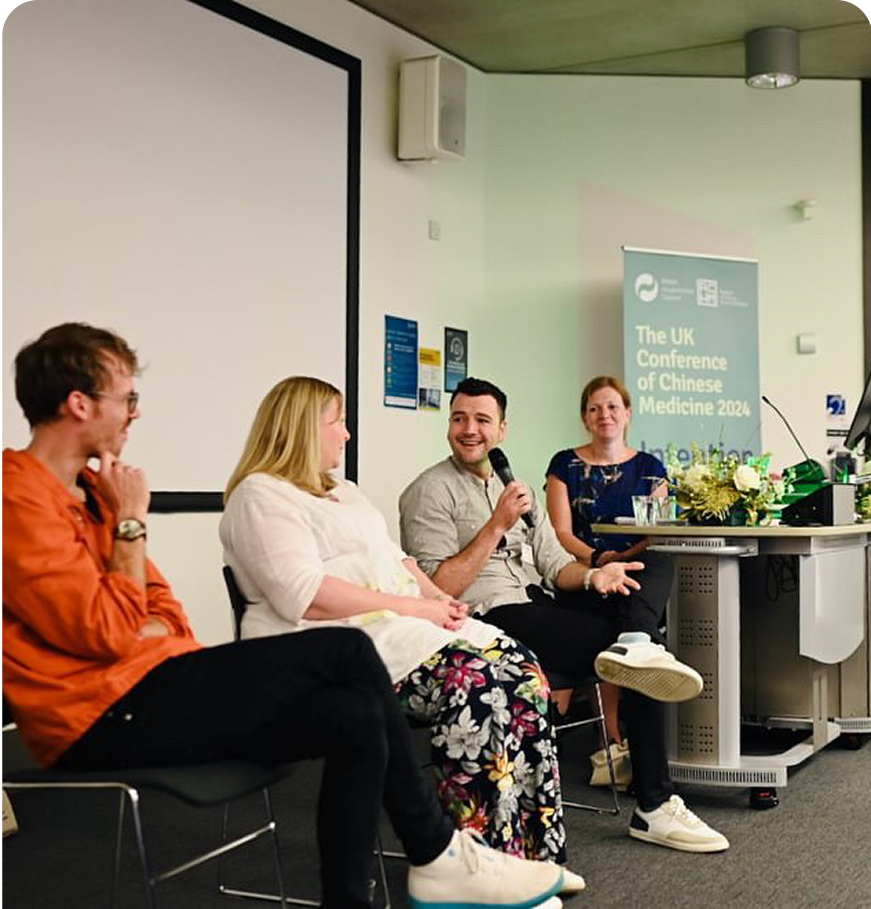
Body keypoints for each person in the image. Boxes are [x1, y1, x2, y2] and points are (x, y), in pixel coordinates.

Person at [1, 324, 568, 909]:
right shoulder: (20, 495)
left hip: (155, 678)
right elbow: (109, 632)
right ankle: (437, 851)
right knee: (348, 653)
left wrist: (134, 601)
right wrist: (131, 528)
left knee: (351, 715)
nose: (135, 415)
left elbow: (164, 615)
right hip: (98, 714)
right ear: (79, 404)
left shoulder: (97, 493)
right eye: (128, 399)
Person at [219, 377, 580, 887]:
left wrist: (439, 602)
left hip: (396, 630)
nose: (345, 435)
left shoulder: (343, 491)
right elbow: (305, 594)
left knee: (520, 667)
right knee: (475, 682)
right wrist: (412, 607)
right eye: (337, 423)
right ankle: (468, 857)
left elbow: (397, 559)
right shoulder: (260, 496)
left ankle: (532, 857)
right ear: (302, 429)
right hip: (326, 650)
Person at [399, 377, 729, 854]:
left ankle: (636, 638)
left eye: (482, 420)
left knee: (654, 564)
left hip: (540, 603)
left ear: (502, 430)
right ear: (449, 425)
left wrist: (598, 576)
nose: (470, 429)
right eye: (459, 419)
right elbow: (438, 589)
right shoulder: (428, 491)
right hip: (492, 617)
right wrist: (496, 526)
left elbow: (554, 564)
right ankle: (654, 806)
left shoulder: (512, 485)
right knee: (643, 660)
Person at [545, 375, 669, 787]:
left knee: (641, 587)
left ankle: (614, 738)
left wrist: (622, 559)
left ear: (628, 414)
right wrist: (599, 562)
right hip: (584, 571)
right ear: (584, 417)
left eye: (613, 407)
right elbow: (561, 533)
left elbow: (657, 533)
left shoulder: (651, 468)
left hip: (635, 565)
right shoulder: (564, 464)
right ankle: (613, 736)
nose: (605, 415)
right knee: (613, 615)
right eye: (595, 408)